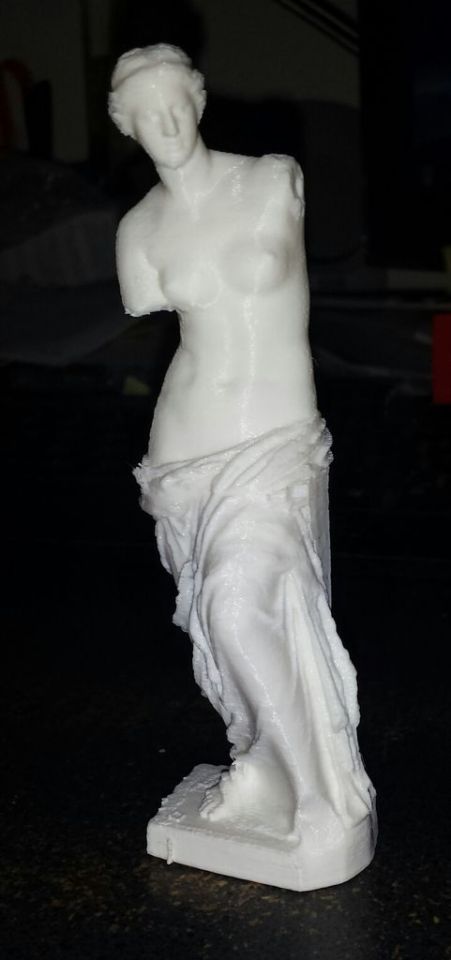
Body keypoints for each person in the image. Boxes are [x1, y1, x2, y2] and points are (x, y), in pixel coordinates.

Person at [110, 45, 375, 862]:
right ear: (126, 127)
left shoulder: (271, 180)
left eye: (174, 102)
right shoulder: (137, 231)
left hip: (275, 437)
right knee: (219, 629)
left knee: (236, 604)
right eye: (144, 114)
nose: (165, 123)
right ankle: (259, 761)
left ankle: (316, 799)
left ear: (198, 99)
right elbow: (153, 315)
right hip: (186, 448)